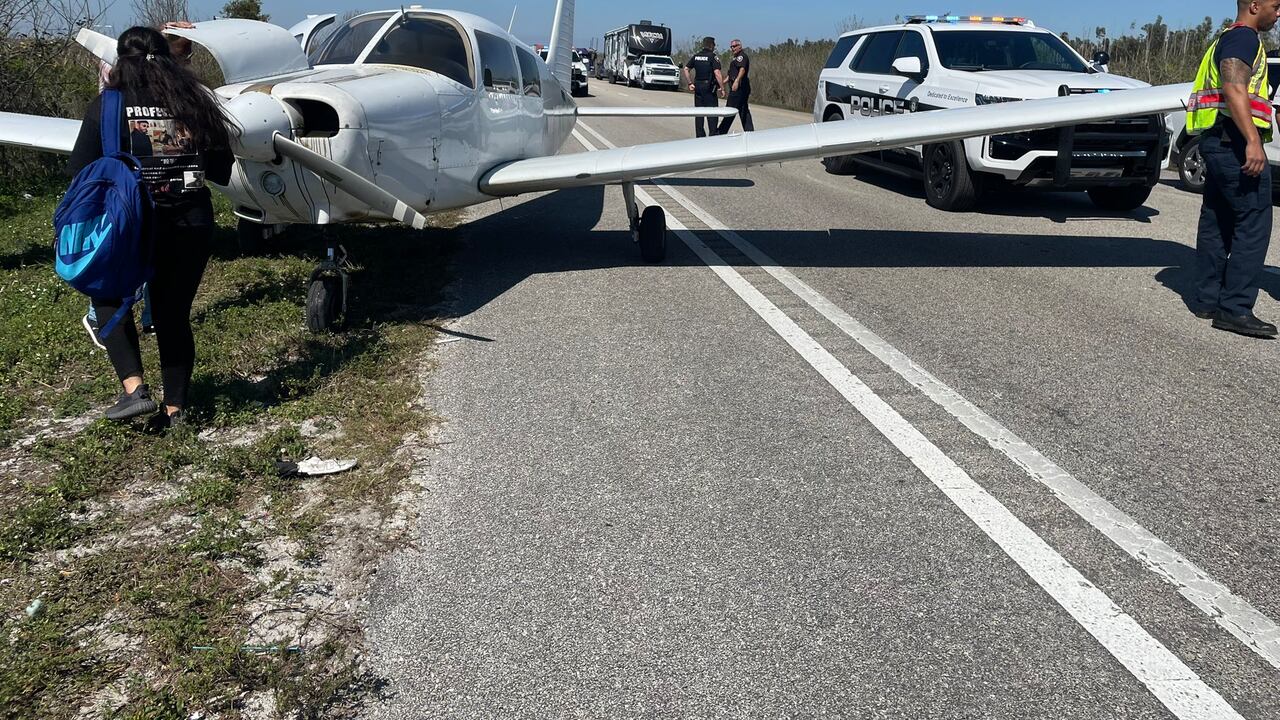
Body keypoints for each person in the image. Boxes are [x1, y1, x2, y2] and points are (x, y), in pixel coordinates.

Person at [66, 25, 236, 431]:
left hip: (128, 224)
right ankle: (176, 410)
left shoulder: (107, 105)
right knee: (172, 314)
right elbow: (224, 171)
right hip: (190, 221)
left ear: (119, 62)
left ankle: (134, 389)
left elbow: (79, 170)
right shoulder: (196, 102)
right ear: (171, 61)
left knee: (107, 294)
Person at [1186, 0, 1280, 338]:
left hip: (1215, 139)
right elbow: (1234, 85)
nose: (1278, 13)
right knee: (1253, 222)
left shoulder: (1224, 37)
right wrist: (1253, 141)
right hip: (1233, 142)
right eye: (1276, 5)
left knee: (1217, 218)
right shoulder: (1244, 40)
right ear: (1255, 5)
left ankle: (1206, 299)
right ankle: (1235, 308)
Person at [682, 36, 725, 138]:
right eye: (714, 45)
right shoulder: (712, 57)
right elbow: (717, 73)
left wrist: (689, 83)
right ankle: (713, 135)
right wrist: (722, 88)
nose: (714, 47)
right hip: (709, 88)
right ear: (711, 45)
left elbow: (686, 69)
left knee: (699, 113)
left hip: (698, 87)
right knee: (712, 113)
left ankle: (700, 136)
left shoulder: (696, 56)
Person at [717, 39, 753, 135]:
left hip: (740, 88)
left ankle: (720, 132)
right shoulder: (735, 59)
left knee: (730, 109)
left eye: (735, 46)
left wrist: (737, 81)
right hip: (736, 86)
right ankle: (749, 131)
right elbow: (730, 75)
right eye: (731, 47)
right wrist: (722, 84)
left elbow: (742, 70)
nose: (733, 48)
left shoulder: (742, 57)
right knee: (742, 109)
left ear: (740, 46)